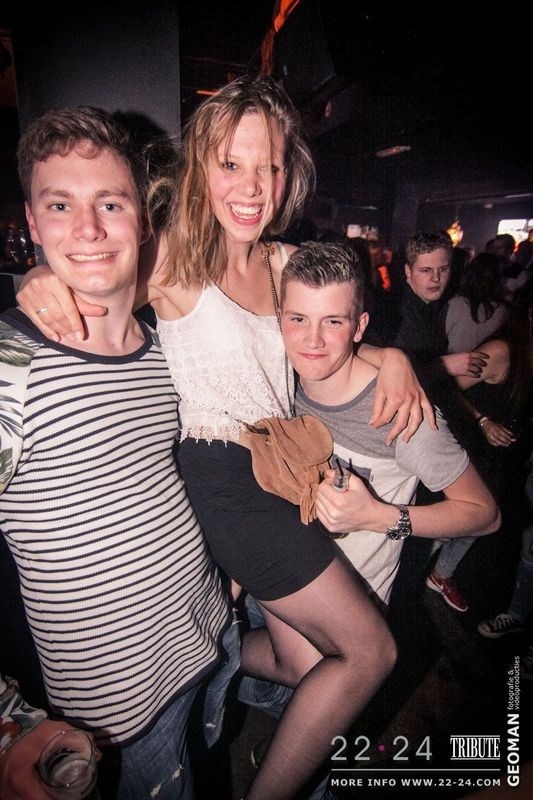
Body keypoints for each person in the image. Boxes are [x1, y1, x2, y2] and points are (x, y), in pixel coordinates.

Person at [15, 76, 435, 800]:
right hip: (225, 477)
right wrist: (33, 277)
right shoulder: (175, 256)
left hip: (283, 473)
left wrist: (391, 355)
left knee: (308, 665)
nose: (251, 186)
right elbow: (94, 272)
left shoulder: (282, 263)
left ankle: (222, 657)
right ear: (200, 169)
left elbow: (329, 334)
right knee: (371, 652)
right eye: (231, 164)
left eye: (268, 166)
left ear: (289, 174)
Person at [0, 106, 235, 800]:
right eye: (60, 205)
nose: (89, 228)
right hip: (119, 712)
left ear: (142, 219)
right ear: (32, 221)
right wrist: (8, 726)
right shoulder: (10, 364)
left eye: (110, 202)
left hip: (210, 636)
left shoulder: (163, 349)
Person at [238, 240, 501, 796]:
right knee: (280, 694)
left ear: (359, 326)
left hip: (341, 620)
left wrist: (382, 516)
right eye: (298, 319)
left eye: (332, 321)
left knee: (310, 735)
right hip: (273, 583)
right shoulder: (277, 374)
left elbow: (484, 515)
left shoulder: (400, 412)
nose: (312, 341)